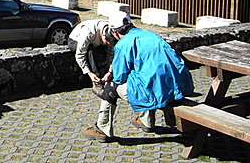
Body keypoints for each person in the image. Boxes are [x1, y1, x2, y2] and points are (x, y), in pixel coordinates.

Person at [82, 11, 194, 141]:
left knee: (111, 87)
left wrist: (110, 76)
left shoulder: (123, 44)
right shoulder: (151, 34)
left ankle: (102, 129)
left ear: (114, 32)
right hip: (179, 86)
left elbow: (119, 77)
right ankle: (146, 121)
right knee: (147, 78)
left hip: (159, 91)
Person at [68, 19, 117, 95]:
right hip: (75, 41)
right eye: (107, 42)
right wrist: (89, 73)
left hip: (95, 41)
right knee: (90, 50)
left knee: (106, 50)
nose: (108, 44)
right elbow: (79, 55)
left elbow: (112, 54)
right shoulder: (88, 32)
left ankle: (107, 78)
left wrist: (110, 72)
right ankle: (97, 82)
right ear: (103, 35)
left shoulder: (111, 30)